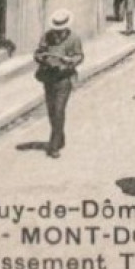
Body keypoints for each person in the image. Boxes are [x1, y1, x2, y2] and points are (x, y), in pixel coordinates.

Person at [32, 9, 83, 159]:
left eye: (60, 30)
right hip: (49, 77)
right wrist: (42, 58)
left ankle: (53, 146)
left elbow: (79, 56)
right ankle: (59, 135)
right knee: (52, 111)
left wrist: (70, 60)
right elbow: (38, 53)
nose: (57, 32)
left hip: (64, 78)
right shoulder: (47, 37)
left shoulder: (74, 38)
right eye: (56, 29)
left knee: (59, 110)